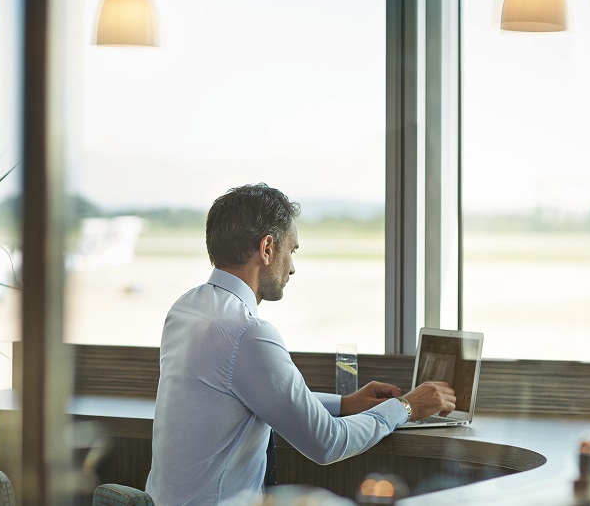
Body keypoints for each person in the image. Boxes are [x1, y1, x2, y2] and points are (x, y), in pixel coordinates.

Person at [145, 183, 456, 505]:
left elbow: (248, 394)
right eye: (291, 250)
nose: (292, 267)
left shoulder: (186, 309)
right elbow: (327, 443)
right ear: (267, 248)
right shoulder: (247, 332)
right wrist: (406, 407)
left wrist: (344, 404)